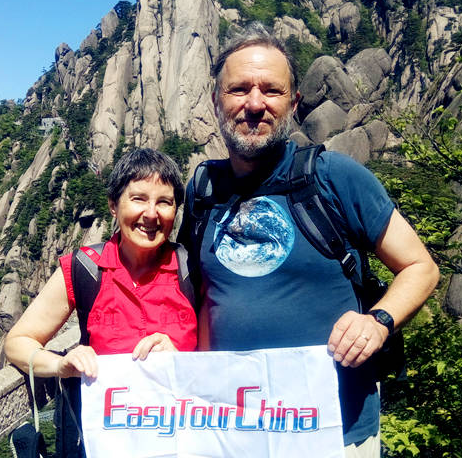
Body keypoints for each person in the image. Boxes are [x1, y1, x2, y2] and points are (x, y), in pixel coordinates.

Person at [178, 24, 440, 458]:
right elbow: (201, 298)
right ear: (216, 100)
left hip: (334, 429)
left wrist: (377, 321)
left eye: (272, 91)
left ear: (294, 103)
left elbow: (420, 267)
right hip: (233, 429)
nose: (255, 104)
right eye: (239, 89)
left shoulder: (333, 176)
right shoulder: (203, 190)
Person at [4, 148, 197, 453]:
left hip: (183, 443)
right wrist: (61, 365)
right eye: (138, 198)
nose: (151, 214)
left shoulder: (193, 270)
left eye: (164, 202)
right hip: (108, 444)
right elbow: (18, 342)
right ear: (113, 206)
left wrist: (182, 363)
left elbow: (224, 364)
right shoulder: (85, 269)